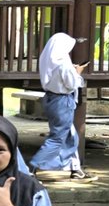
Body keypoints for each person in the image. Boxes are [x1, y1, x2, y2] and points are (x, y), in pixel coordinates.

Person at [29, 32, 87, 180]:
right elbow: (72, 84)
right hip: (62, 100)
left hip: (50, 98)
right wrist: (77, 72)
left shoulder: (47, 58)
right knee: (57, 138)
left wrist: (72, 70)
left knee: (70, 136)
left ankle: (75, 168)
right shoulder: (63, 63)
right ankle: (32, 167)